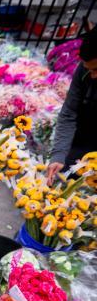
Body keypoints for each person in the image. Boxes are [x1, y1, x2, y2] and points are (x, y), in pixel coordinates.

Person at [47, 26, 97, 185]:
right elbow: (69, 112)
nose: (93, 76)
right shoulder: (84, 69)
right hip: (82, 137)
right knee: (61, 180)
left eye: (96, 69)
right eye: (90, 70)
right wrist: (59, 154)